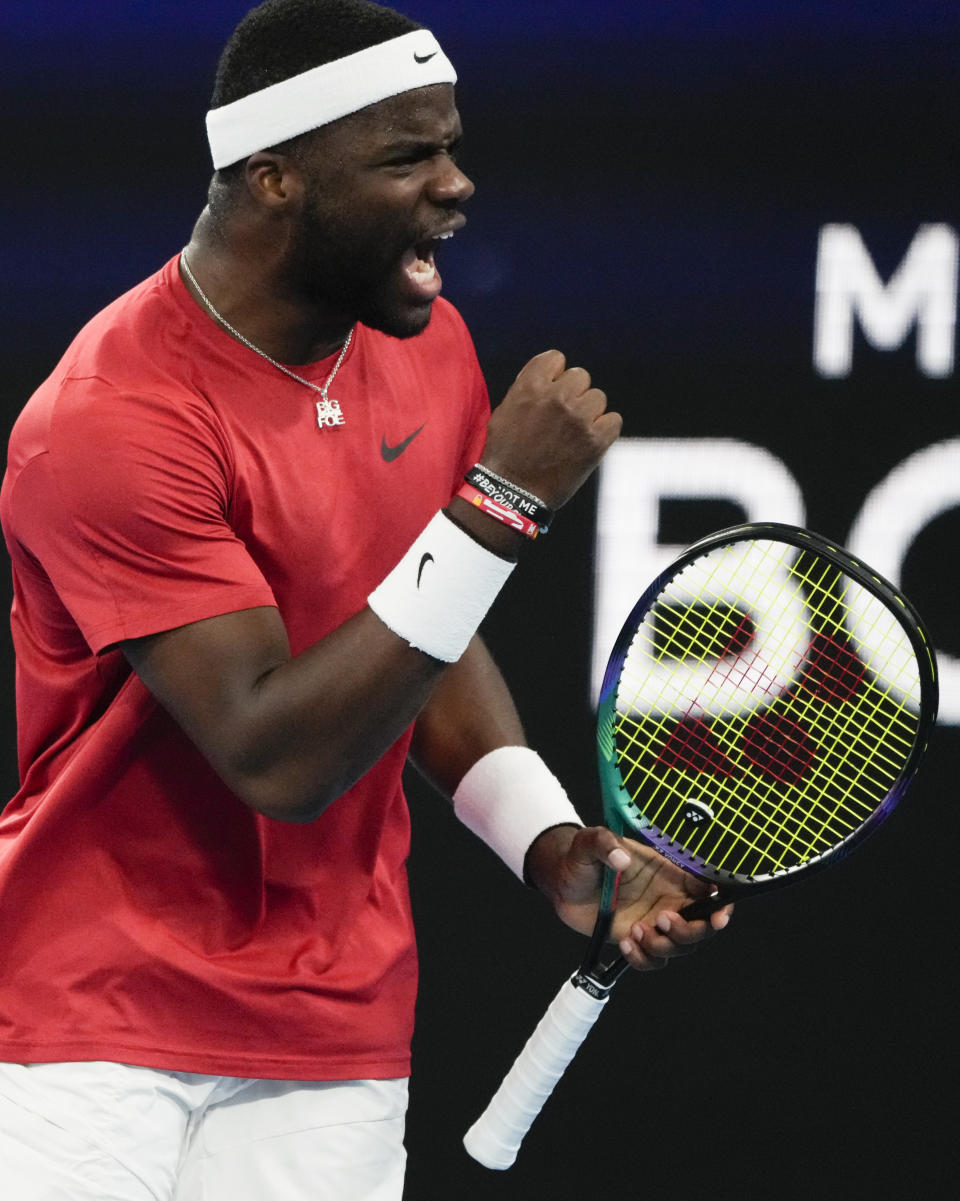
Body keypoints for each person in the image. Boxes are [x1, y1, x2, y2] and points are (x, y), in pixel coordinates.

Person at [0, 1, 731, 1197]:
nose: (456, 186)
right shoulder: (111, 423)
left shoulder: (427, 343)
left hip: (335, 1030)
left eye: (449, 146)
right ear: (276, 179)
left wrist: (548, 845)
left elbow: (417, 632)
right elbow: (275, 754)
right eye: (407, 157)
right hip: (88, 1029)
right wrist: (496, 506)